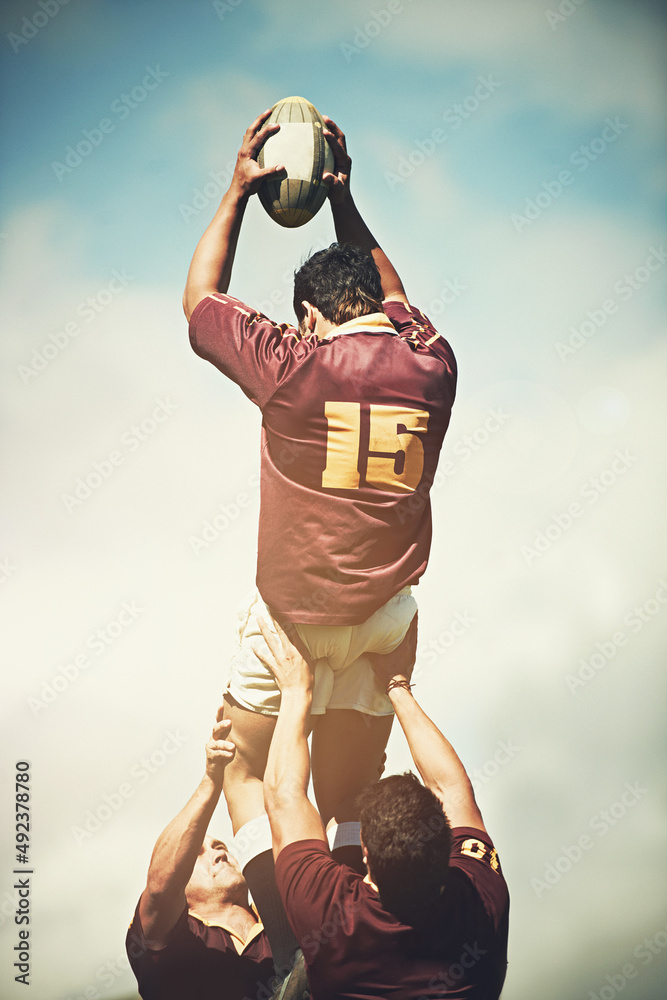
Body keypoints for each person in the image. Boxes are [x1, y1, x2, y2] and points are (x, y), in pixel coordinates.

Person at [182, 109, 457, 965]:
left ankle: (297, 932)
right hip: (385, 618)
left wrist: (236, 192)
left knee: (239, 764)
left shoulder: (289, 366)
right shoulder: (432, 362)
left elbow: (200, 301)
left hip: (291, 621)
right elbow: (395, 295)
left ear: (306, 317)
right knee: (347, 781)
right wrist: (345, 199)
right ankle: (345, 900)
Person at [259, 614, 510, 999]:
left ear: (365, 853)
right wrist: (397, 688)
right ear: (444, 844)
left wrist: (295, 692)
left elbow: (284, 797)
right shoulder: (480, 900)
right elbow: (453, 790)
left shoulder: (328, 915)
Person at [125, 706, 285, 1000]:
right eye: (198, 853)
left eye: (219, 845)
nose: (218, 851)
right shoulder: (171, 940)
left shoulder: (282, 916)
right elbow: (160, 888)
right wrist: (213, 777)